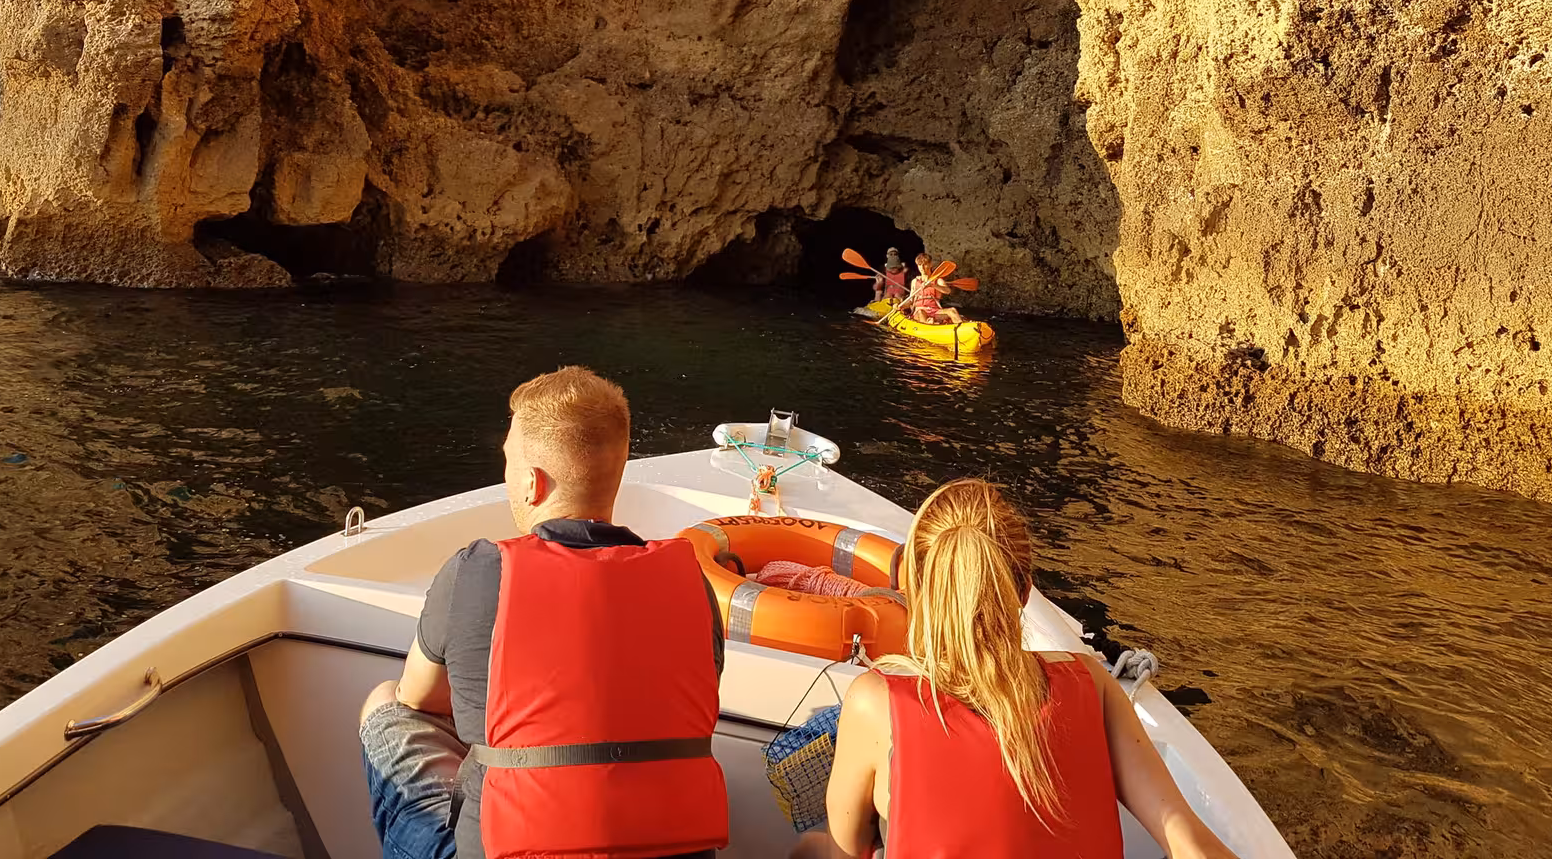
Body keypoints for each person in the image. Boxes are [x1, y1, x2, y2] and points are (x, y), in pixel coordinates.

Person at [359, 367, 729, 859]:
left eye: (508, 462)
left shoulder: (478, 570)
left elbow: (419, 697)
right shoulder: (692, 584)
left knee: (386, 706)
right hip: (673, 847)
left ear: (532, 483)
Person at [790, 480, 1239, 859]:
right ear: (1024, 592)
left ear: (914, 587)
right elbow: (1189, 843)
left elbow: (845, 850)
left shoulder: (876, 701)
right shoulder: (1092, 682)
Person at [907, 256, 963, 327]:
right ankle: (929, 327)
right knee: (921, 312)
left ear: (931, 264)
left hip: (935, 311)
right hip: (920, 311)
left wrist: (932, 285)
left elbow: (947, 291)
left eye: (925, 264)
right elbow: (910, 300)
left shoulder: (938, 281)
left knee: (952, 310)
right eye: (919, 265)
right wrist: (901, 307)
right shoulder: (914, 282)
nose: (922, 267)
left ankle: (962, 329)